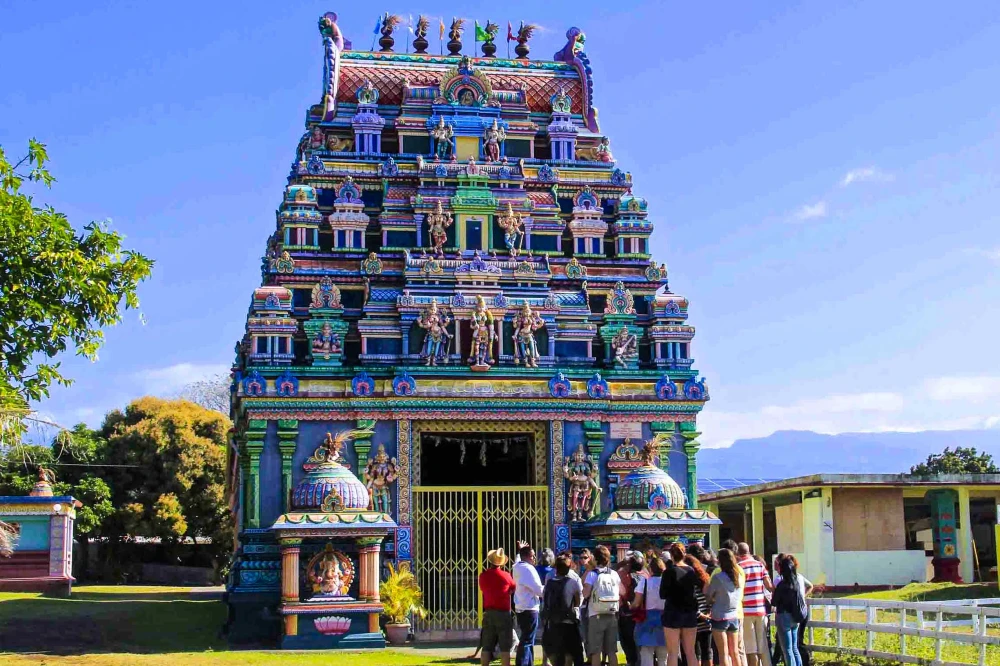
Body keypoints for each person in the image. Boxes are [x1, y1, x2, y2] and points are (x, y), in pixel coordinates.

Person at [660, 543, 706, 666]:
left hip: (672, 613)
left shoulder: (668, 572)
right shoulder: (691, 571)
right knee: (691, 652)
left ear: (671, 555)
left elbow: (662, 594)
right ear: (684, 554)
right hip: (690, 613)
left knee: (673, 652)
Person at [543, 552, 586, 666]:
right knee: (574, 651)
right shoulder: (572, 582)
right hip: (569, 622)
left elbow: (545, 599)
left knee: (558, 652)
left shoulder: (549, 583)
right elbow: (577, 602)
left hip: (553, 622)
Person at [582, 544, 621, 666]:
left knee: (595, 651)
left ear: (595, 558)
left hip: (595, 614)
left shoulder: (592, 574)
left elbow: (586, 593)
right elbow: (623, 591)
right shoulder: (614, 574)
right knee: (611, 651)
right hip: (611, 613)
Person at [772, 556, 813, 666]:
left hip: (783, 616)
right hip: (795, 617)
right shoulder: (797, 582)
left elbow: (774, 602)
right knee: (795, 648)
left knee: (787, 650)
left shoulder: (782, 584)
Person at [479, 547, 517, 666]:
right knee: (505, 646)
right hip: (503, 614)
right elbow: (513, 588)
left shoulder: (483, 576)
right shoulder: (506, 576)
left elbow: (483, 589)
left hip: (489, 612)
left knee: (487, 646)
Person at [736, 544, 772, 666]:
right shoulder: (760, 565)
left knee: (751, 648)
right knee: (763, 646)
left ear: (738, 553)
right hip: (760, 609)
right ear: (749, 551)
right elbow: (769, 586)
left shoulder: (738, 567)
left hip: (746, 611)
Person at [705, 548, 743, 666]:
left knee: (723, 653)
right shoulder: (739, 576)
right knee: (735, 652)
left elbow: (709, 597)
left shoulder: (718, 578)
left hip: (720, 616)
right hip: (734, 615)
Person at [512, 541, 545, 666]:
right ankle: (522, 663)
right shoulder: (528, 569)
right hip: (530, 608)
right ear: (527, 557)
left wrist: (520, 551)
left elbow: (516, 560)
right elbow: (538, 589)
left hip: (521, 607)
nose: (534, 558)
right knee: (527, 640)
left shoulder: (517, 567)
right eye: (532, 556)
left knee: (528, 639)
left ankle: (528, 663)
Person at [632, 553, 667, 666]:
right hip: (664, 620)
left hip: (647, 620)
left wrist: (630, 606)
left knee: (646, 653)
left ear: (650, 569)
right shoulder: (666, 582)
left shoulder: (644, 582)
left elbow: (636, 603)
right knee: (663, 656)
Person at [686, 544, 716, 666]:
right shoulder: (706, 578)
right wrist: (708, 613)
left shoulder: (688, 580)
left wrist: (700, 614)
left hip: (695, 618)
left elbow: (691, 600)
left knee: (696, 651)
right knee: (707, 650)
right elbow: (710, 597)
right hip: (707, 619)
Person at [618, 551, 646, 666]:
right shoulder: (645, 575)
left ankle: (632, 661)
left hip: (628, 613)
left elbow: (623, 593)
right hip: (642, 613)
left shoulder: (624, 575)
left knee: (627, 640)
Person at [536, 548, 556, 666]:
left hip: (539, 603)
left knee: (545, 633)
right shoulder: (553, 572)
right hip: (551, 604)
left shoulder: (535, 570)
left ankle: (545, 660)